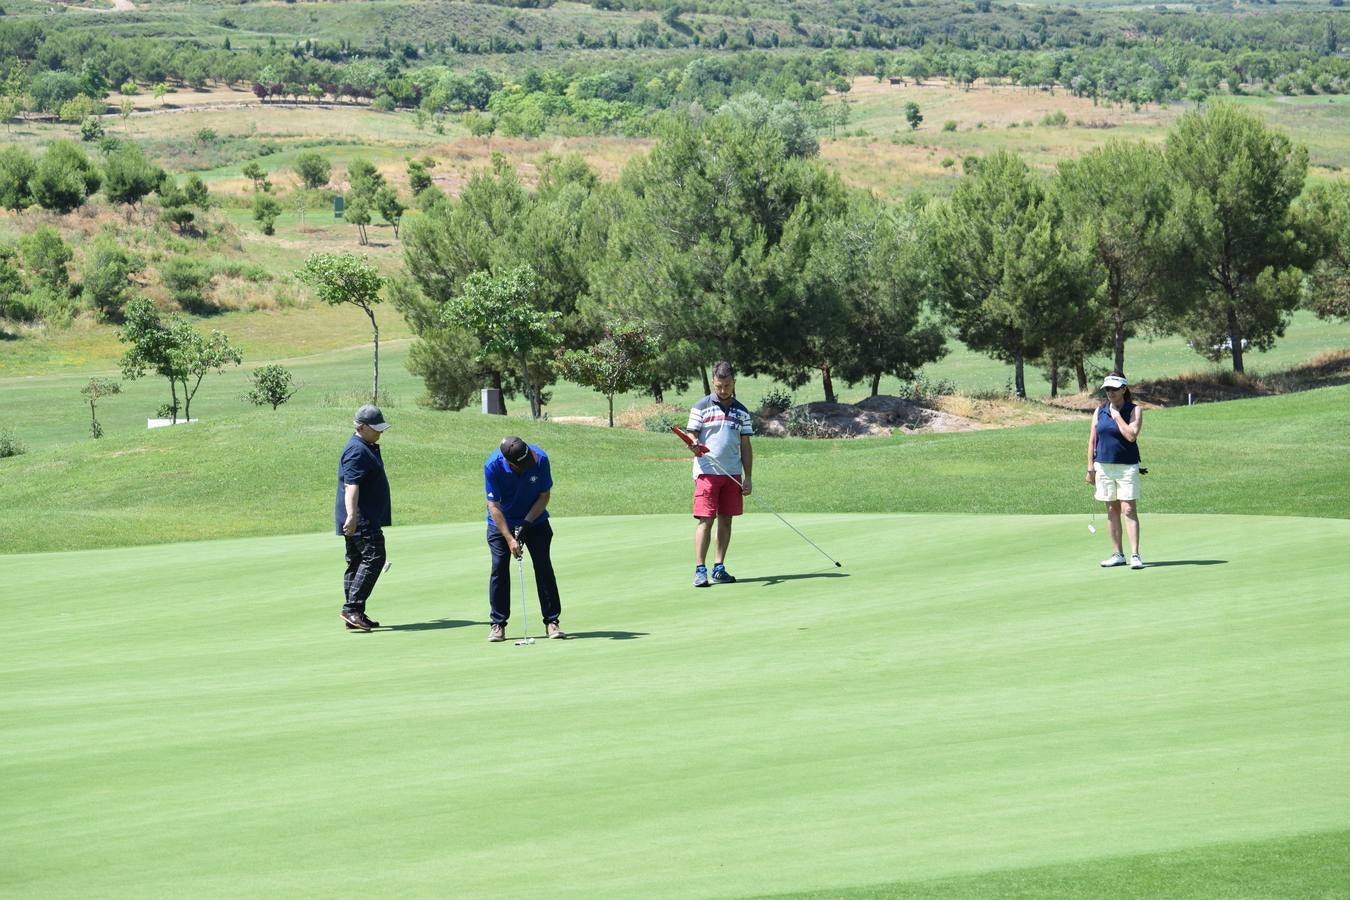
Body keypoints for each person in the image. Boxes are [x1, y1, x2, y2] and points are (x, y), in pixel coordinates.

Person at [484, 436, 566, 642]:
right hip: (501, 523)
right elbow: (493, 506)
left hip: (535, 520)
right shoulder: (493, 466)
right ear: (511, 463)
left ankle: (552, 621)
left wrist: (527, 523)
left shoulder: (540, 459)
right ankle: (497, 624)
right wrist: (510, 539)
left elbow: (544, 495)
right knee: (499, 567)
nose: (531, 461)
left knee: (543, 566)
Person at [686, 360, 754, 588]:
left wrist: (748, 477)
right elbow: (692, 435)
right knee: (706, 520)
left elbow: (745, 446)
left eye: (726, 386)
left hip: (732, 474)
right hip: (707, 473)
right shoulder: (701, 406)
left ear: (733, 382)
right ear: (713, 383)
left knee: (726, 521)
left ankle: (719, 567)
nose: (722, 390)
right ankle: (700, 570)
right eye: (718, 386)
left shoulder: (742, 411)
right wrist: (694, 443)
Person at [336, 404, 392, 631]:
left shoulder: (365, 445)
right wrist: (352, 516)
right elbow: (351, 485)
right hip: (361, 518)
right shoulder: (357, 450)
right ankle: (352, 609)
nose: (380, 432)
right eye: (375, 428)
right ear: (360, 427)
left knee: (357, 561)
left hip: (361, 516)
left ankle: (354, 613)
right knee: (374, 557)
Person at [1086, 373, 1144, 570]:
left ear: (1123, 389)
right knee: (1112, 510)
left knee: (1128, 509)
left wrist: (1117, 415)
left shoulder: (1134, 410)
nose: (1109, 392)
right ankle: (1118, 553)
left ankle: (1135, 554)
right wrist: (1090, 467)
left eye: (1113, 389)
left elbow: (1131, 436)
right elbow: (1093, 440)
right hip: (1103, 466)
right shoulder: (1099, 411)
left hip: (1127, 466)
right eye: (1107, 389)